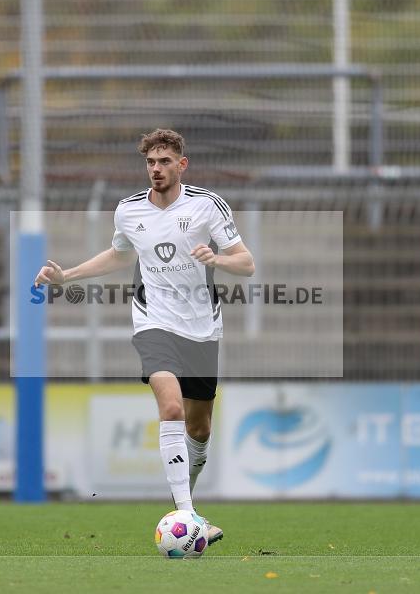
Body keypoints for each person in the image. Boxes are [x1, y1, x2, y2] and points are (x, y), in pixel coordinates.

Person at [35, 128, 255, 544]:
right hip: (153, 321)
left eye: (165, 161)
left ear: (181, 164)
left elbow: (247, 264)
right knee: (170, 408)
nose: (156, 169)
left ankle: (186, 501)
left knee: (200, 428)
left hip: (202, 328)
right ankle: (188, 515)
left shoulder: (207, 206)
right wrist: (67, 276)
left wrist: (218, 258)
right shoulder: (129, 211)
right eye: (151, 162)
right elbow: (119, 254)